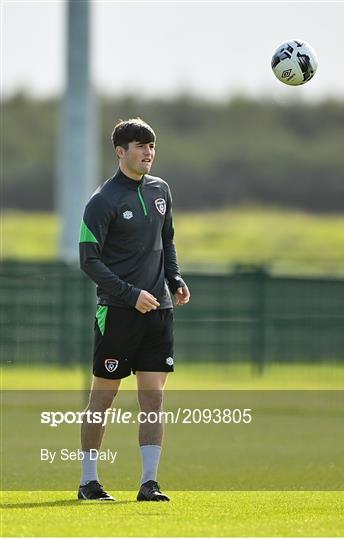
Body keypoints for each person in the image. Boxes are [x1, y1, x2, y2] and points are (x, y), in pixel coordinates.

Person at [78, 117, 190, 502]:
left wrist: (173, 279)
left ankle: (149, 483)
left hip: (158, 312)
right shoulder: (102, 201)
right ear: (120, 151)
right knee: (104, 398)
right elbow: (88, 260)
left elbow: (167, 240)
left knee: (153, 398)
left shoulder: (161, 190)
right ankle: (89, 482)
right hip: (119, 312)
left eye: (152, 146)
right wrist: (129, 293)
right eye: (140, 146)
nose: (148, 153)